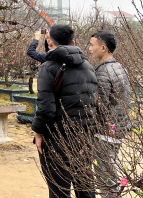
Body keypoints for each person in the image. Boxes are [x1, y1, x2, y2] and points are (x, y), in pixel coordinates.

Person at [32, 24, 98, 198]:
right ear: (73, 42)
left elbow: (46, 108)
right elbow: (94, 104)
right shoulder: (89, 67)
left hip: (58, 139)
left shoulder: (48, 67)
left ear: (50, 43)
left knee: (59, 191)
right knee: (85, 188)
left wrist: (38, 131)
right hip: (84, 137)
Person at [89, 31, 131, 197]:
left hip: (105, 133)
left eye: (93, 45)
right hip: (117, 130)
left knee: (106, 181)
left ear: (103, 47)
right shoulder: (119, 67)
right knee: (110, 176)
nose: (90, 49)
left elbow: (100, 105)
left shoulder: (104, 72)